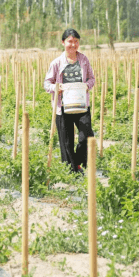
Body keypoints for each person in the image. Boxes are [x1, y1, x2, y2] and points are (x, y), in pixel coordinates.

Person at [43, 28, 96, 173]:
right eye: (70, 41)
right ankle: (71, 171)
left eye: (76, 41)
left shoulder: (84, 60)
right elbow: (47, 84)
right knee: (66, 141)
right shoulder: (56, 63)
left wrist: (86, 86)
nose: (73, 45)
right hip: (63, 107)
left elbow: (91, 79)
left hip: (81, 105)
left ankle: (79, 163)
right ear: (63, 42)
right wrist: (56, 88)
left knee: (86, 136)